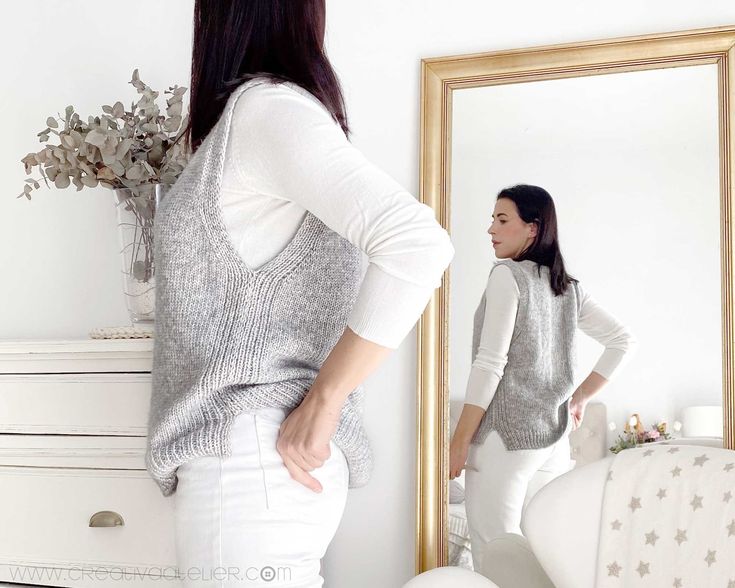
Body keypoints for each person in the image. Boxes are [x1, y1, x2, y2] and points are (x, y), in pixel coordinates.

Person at [144, 1, 455, 586]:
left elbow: (418, 244)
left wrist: (326, 398)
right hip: (258, 467)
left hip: (247, 463)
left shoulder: (267, 110)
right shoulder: (265, 116)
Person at [448, 184, 637, 573]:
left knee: (493, 555)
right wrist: (579, 399)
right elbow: (622, 341)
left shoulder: (507, 276)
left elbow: (489, 364)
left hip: (506, 439)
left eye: (502, 219)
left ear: (532, 228)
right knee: (541, 556)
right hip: (553, 441)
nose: (490, 229)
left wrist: (459, 439)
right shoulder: (566, 288)